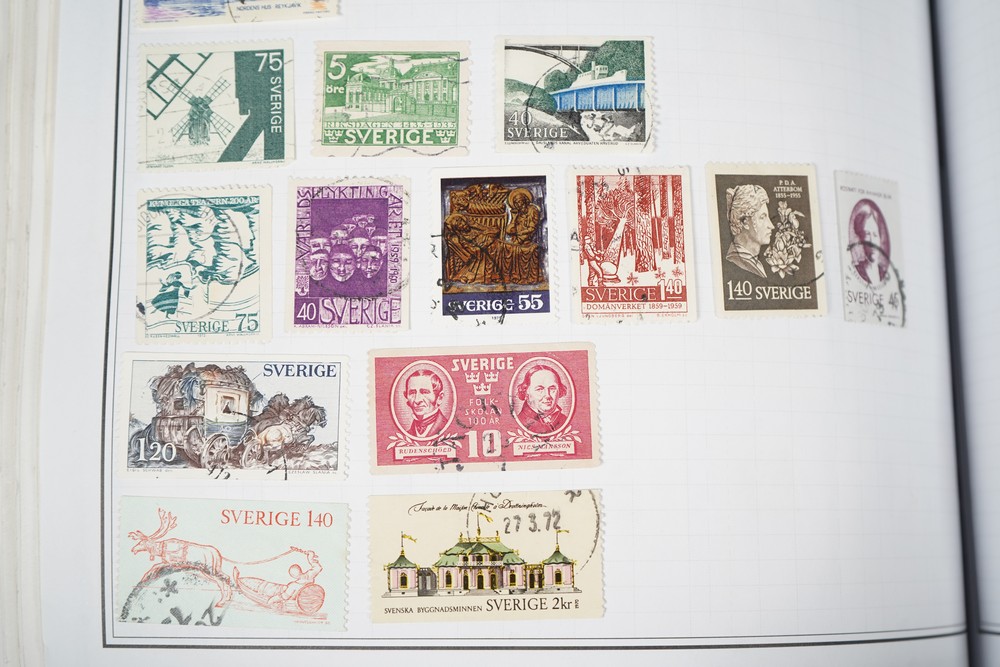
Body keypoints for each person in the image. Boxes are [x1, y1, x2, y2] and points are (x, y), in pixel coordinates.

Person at [724, 184, 773, 279]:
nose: (771, 225)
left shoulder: (753, 262)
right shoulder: (737, 261)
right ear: (745, 222)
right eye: (762, 217)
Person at [514, 364, 569, 433]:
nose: (547, 395)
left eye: (552, 388)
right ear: (526, 391)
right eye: (539, 389)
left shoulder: (565, 421)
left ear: (560, 390)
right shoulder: (519, 422)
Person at [849, 199, 890, 285]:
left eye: (875, 235)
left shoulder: (883, 272)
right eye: (867, 234)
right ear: (861, 239)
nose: (872, 242)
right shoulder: (858, 271)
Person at [402, 369, 449, 439]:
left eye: (425, 392)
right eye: (412, 392)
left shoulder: (448, 428)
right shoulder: (406, 435)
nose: (417, 400)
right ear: (406, 396)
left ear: (440, 398)